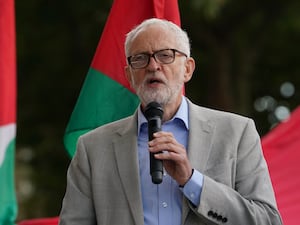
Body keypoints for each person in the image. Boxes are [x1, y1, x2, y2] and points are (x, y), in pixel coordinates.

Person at [59, 18, 282, 225]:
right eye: (140, 58)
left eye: (165, 55)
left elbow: (268, 220)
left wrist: (192, 180)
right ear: (129, 75)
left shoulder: (237, 133)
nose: (153, 66)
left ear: (187, 69)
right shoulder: (93, 148)